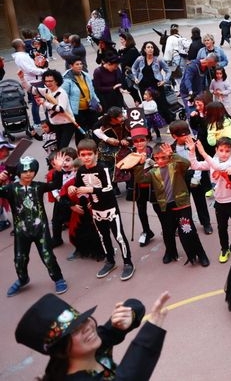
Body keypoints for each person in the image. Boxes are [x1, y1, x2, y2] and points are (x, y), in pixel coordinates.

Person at [15, 290, 169, 381]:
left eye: (83, 320)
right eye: (74, 330)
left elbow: (133, 305)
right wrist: (152, 329)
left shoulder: (93, 348)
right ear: (60, 349)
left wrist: (128, 315)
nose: (87, 327)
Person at [2, 154, 69, 297]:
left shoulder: (38, 186)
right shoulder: (10, 189)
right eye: (25, 171)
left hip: (41, 229)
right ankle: (23, 279)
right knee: (20, 259)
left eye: (31, 171)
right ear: (19, 172)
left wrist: (58, 170)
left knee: (48, 256)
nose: (28, 174)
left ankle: (58, 278)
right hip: (21, 232)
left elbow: (55, 185)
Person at [69, 139, 135, 280]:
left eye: (89, 154)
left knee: (119, 236)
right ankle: (110, 260)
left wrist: (90, 189)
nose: (86, 157)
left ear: (96, 154)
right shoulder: (80, 171)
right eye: (83, 154)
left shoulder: (102, 168)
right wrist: (72, 189)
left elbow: (108, 188)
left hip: (110, 208)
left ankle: (128, 262)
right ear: (79, 156)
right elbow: (78, 187)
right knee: (103, 237)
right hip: (96, 210)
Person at [187, 136, 231, 263]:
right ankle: (224, 249)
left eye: (227, 151)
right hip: (220, 203)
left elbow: (217, 167)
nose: (224, 153)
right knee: (221, 228)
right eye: (221, 150)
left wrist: (203, 152)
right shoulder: (213, 160)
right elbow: (195, 165)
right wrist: (192, 151)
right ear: (216, 150)